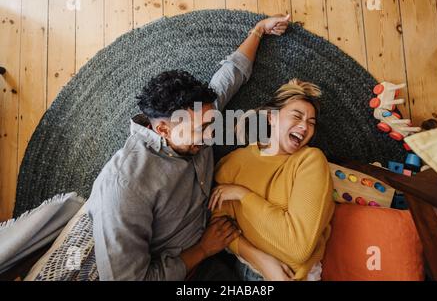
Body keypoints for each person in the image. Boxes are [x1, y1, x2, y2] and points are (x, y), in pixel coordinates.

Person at [86, 14, 291, 280]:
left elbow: (231, 74)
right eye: (200, 131)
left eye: (210, 123)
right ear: (162, 129)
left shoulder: (196, 115)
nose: (210, 136)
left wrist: (259, 30)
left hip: (221, 229)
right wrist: (203, 249)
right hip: (188, 268)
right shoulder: (124, 186)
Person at [209, 79, 335, 281]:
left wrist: (243, 195)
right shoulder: (234, 163)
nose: (304, 127)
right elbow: (218, 226)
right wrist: (260, 260)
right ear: (271, 117)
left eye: (311, 123)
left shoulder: (309, 161)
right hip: (248, 270)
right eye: (297, 116)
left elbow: (298, 249)